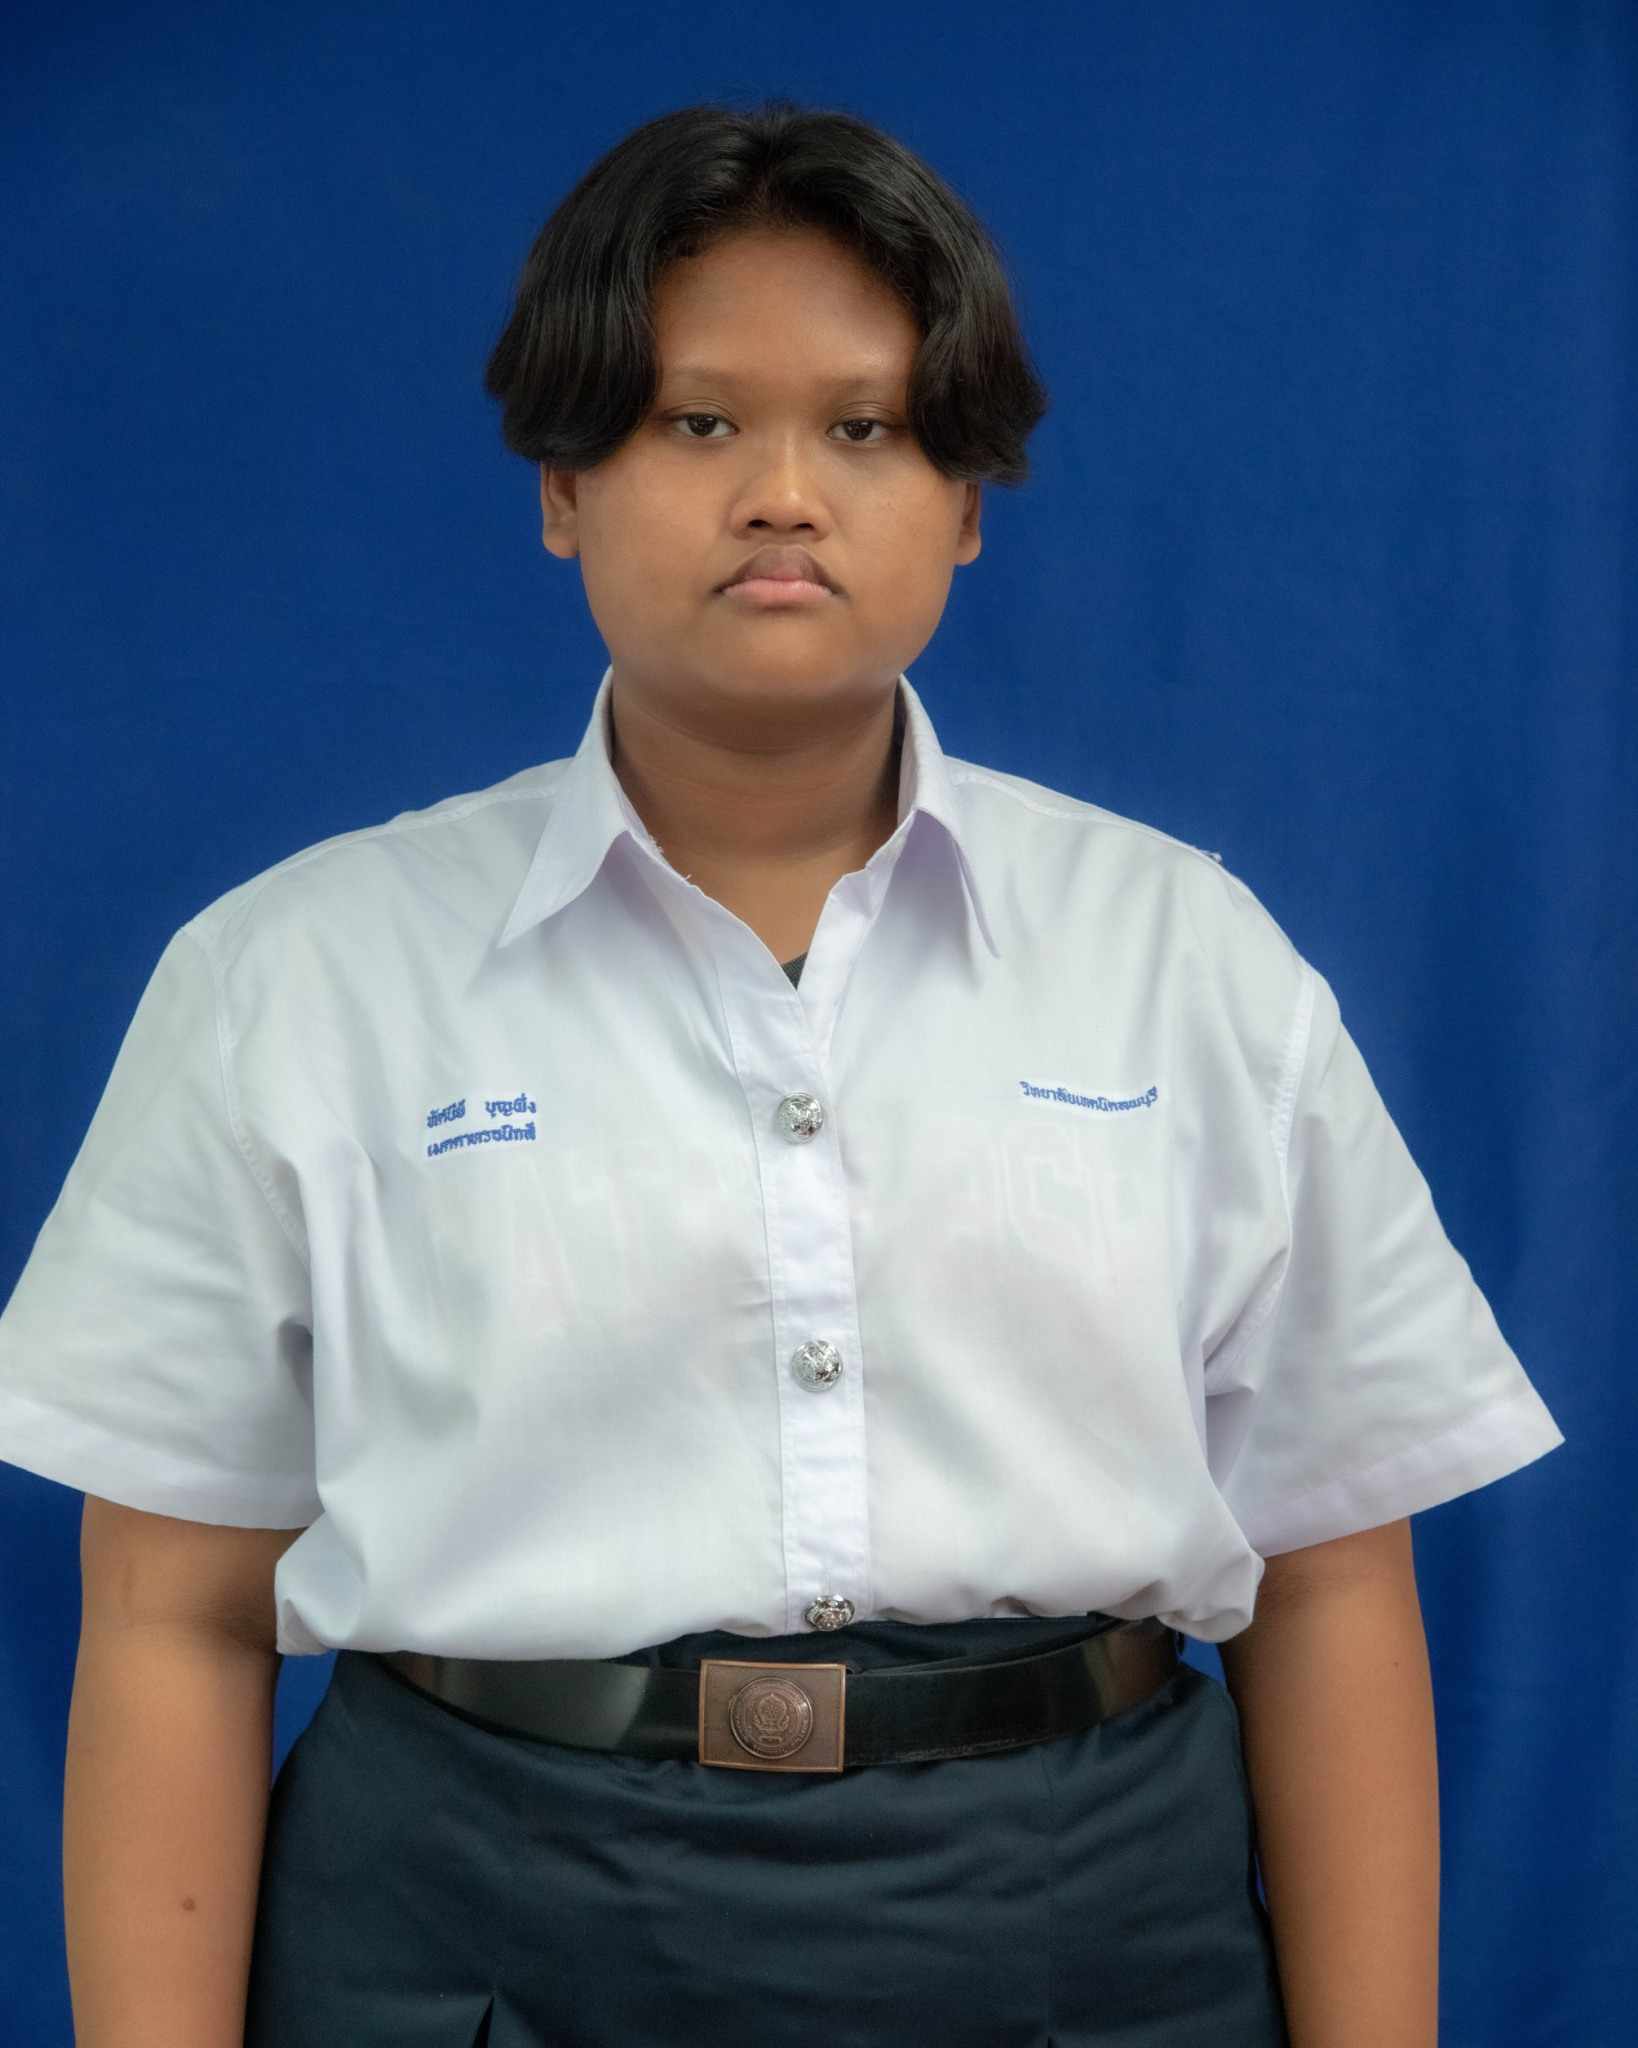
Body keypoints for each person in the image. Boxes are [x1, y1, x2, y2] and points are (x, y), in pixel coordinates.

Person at [0, 97, 1565, 2048]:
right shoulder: (295, 977)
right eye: (695, 423)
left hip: (1083, 1938)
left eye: (868, 429)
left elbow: (1331, 1579)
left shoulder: (1186, 961)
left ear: (969, 500)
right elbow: (171, 1616)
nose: (783, 496)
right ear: (562, 483)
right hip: (477, 1937)